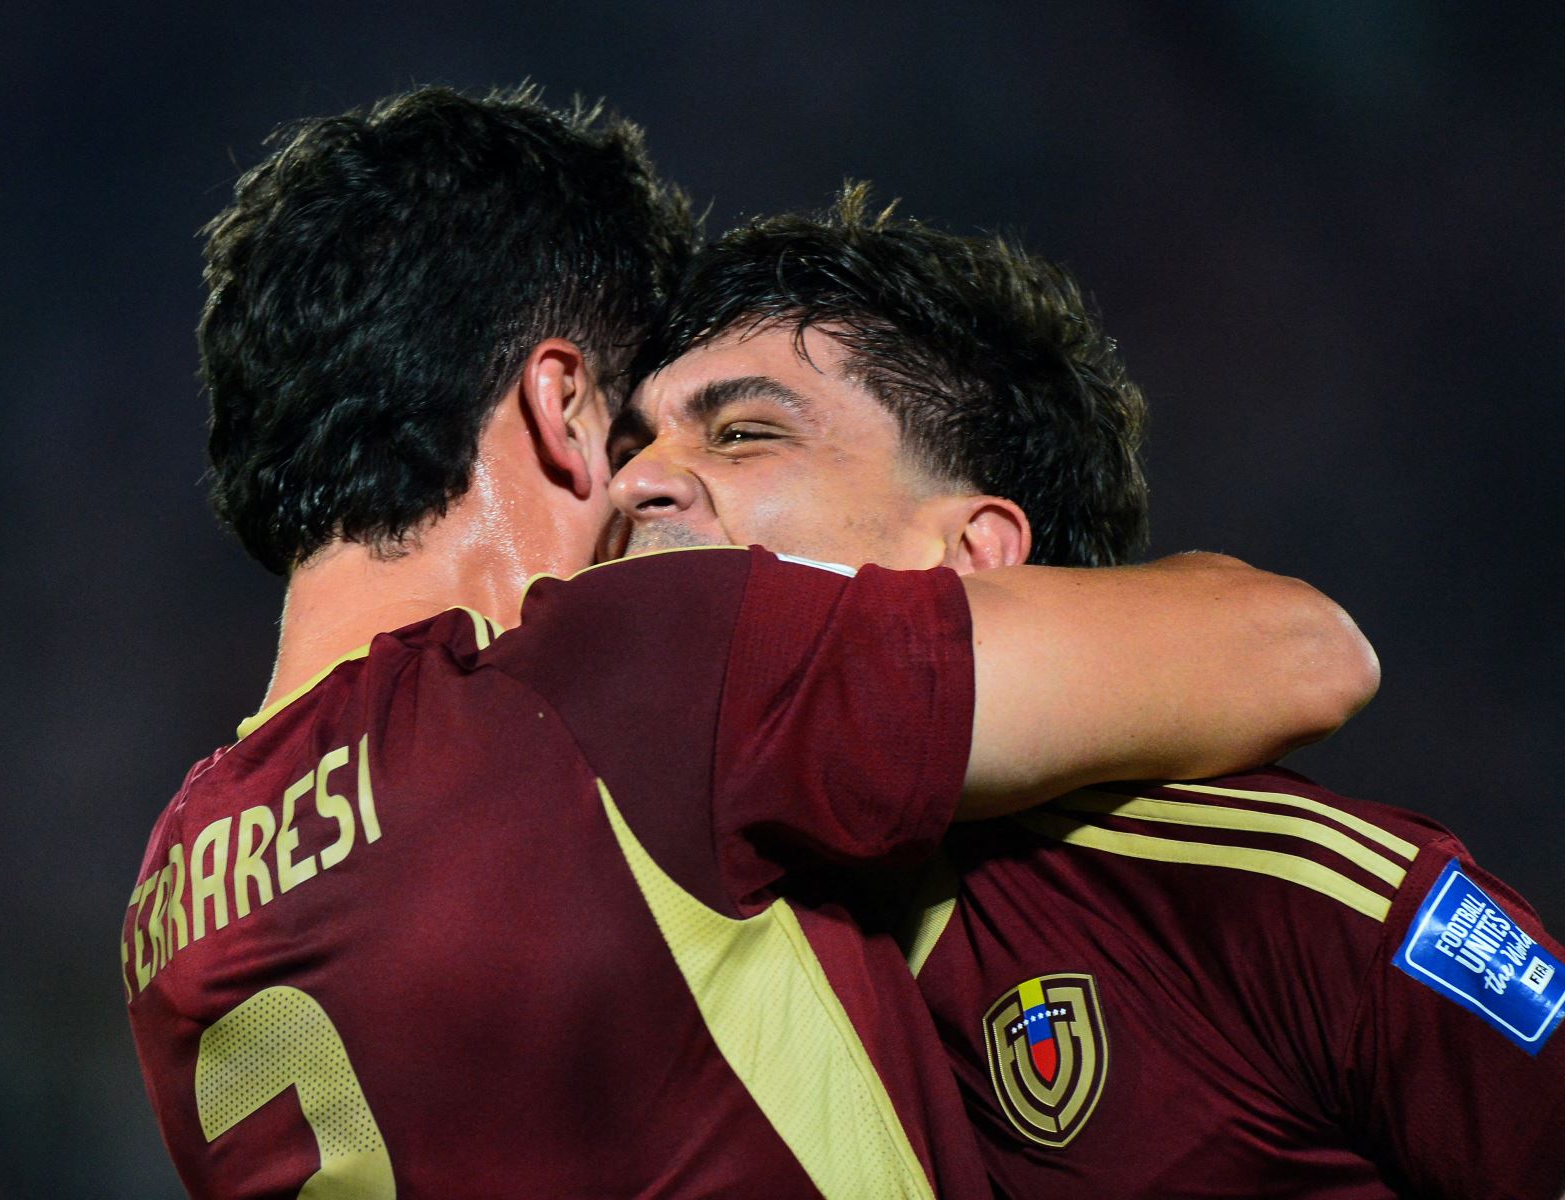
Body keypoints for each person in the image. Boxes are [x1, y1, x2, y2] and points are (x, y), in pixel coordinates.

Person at [122, 87, 1375, 1199]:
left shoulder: (169, 909)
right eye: (627, 435)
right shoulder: (609, 681)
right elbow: (1296, 649)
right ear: (562, 411)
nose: (647, 492)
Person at [608, 186, 1565, 1200]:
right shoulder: (607, 928)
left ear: (974, 557)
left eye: (745, 434)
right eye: (631, 447)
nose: (635, 485)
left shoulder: (1261, 897)